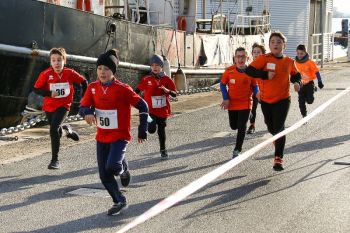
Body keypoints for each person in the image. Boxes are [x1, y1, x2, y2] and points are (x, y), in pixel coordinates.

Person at [79, 49, 148, 216]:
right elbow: (82, 107)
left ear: (113, 71)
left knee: (113, 166)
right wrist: (87, 112)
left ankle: (123, 170)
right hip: (102, 137)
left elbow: (143, 105)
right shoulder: (93, 88)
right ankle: (119, 201)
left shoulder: (122, 89)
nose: (102, 72)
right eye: (100, 68)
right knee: (103, 175)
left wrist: (142, 128)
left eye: (107, 69)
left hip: (120, 135)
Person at [245, 32, 302, 171]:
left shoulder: (289, 61)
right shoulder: (264, 58)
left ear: (284, 45)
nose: (275, 44)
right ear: (269, 45)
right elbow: (249, 71)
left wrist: (297, 83)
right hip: (266, 100)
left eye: (278, 42)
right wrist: (265, 75)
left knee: (279, 127)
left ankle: (278, 158)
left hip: (283, 99)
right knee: (271, 127)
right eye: (273, 42)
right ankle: (277, 140)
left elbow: (296, 75)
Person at [34, 47, 88, 169]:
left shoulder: (70, 73)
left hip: (64, 106)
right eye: (53, 60)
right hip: (49, 107)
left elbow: (84, 82)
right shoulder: (46, 74)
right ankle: (67, 130)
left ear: (64, 61)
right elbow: (36, 89)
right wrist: (49, 94)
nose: (56, 63)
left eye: (59, 60)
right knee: (56, 130)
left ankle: (55, 160)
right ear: (50, 62)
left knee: (53, 129)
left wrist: (84, 98)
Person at [135, 54, 177, 159]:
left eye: (157, 65)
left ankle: (163, 149)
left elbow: (175, 93)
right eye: (153, 65)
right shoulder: (146, 79)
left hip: (163, 110)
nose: (155, 67)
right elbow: (137, 91)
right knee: (152, 129)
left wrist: (168, 91)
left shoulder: (167, 79)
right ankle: (149, 125)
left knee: (161, 131)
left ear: (162, 67)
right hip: (151, 110)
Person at [220, 47, 259, 159]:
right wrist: (225, 98)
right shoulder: (229, 71)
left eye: (243, 56)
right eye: (238, 56)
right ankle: (247, 117)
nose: (241, 59)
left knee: (242, 127)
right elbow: (222, 84)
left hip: (246, 103)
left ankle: (237, 149)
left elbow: (255, 86)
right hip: (232, 103)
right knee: (233, 126)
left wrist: (258, 94)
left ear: (247, 58)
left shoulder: (251, 72)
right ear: (235, 58)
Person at [294, 44, 324, 118]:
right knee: (301, 101)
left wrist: (319, 81)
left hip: (309, 84)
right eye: (298, 53)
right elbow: (293, 73)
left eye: (301, 53)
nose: (299, 55)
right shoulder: (295, 62)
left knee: (310, 101)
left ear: (305, 53)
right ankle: (304, 115)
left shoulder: (310, 62)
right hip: (300, 84)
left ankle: (314, 88)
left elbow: (317, 72)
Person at [247, 43, 266, 134]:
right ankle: (252, 125)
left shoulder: (267, 65)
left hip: (265, 91)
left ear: (263, 53)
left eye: (258, 52)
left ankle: (270, 122)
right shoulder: (249, 66)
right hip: (254, 91)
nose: (256, 54)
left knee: (266, 110)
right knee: (252, 109)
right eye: (254, 52)